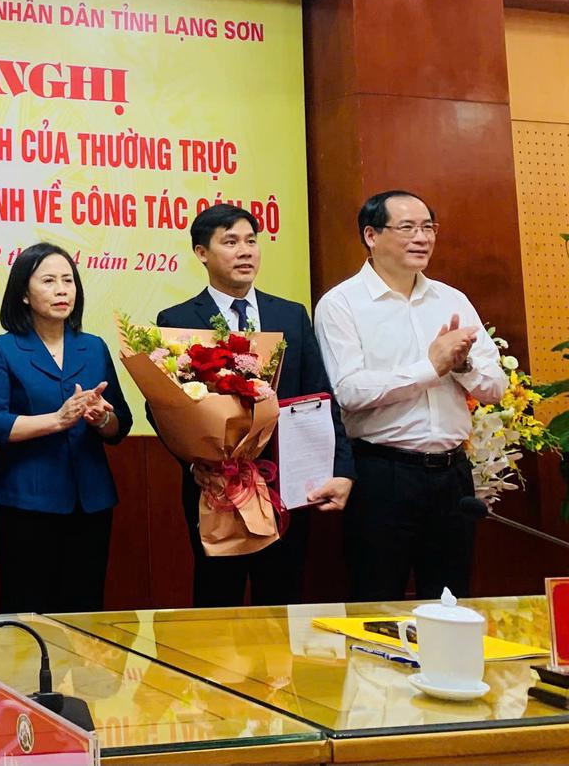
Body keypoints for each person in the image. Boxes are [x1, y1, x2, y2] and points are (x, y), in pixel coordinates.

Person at [156, 202, 354, 607]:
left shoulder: (291, 315)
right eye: (230, 242)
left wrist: (342, 470)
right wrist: (195, 464)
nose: (245, 251)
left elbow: (320, 395)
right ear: (201, 252)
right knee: (217, 604)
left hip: (286, 482)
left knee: (282, 601)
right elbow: (164, 407)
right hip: (214, 486)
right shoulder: (177, 319)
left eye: (251, 241)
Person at [315, 191, 505, 600]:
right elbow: (349, 391)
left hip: (452, 476)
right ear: (371, 235)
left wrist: (462, 367)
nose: (422, 238)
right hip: (382, 474)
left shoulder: (452, 300)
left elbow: (495, 388)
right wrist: (430, 367)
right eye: (407, 228)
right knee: (376, 603)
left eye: (428, 227)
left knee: (451, 602)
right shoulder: (341, 304)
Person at [0, 243, 132, 614]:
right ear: (24, 294)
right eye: (48, 281)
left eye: (68, 280)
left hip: (91, 502)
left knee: (85, 614)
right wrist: (58, 420)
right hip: (27, 503)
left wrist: (102, 419)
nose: (62, 290)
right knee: (26, 612)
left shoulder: (93, 347)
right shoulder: (3, 349)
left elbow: (121, 423)